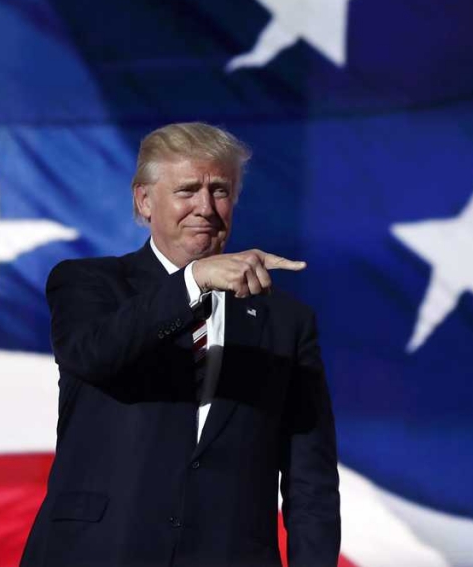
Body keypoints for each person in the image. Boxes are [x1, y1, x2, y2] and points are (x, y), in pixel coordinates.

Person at [21, 122, 340, 567]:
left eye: (220, 191)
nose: (205, 208)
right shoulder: (87, 283)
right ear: (144, 200)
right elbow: (94, 354)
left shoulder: (287, 321)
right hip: (98, 552)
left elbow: (312, 480)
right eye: (187, 190)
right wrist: (193, 280)